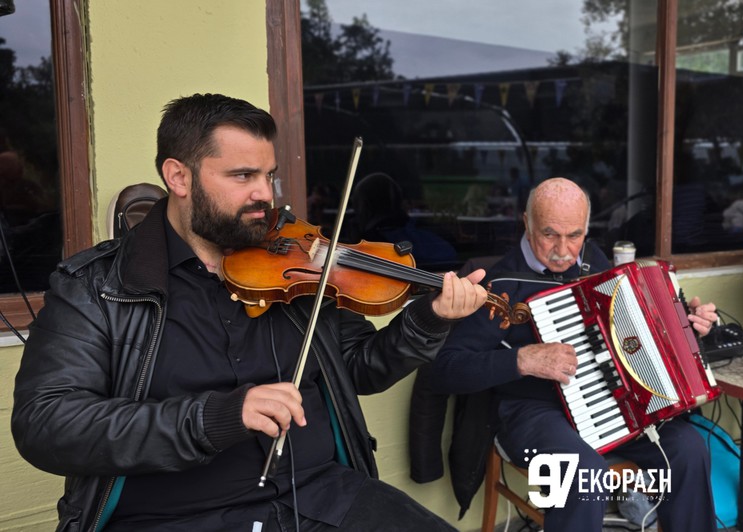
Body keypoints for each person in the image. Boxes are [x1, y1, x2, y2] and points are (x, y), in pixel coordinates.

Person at [11, 93, 489, 531]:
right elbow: (46, 423)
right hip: (174, 516)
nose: (266, 194)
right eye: (243, 176)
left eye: (269, 175)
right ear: (178, 177)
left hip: (320, 495)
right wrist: (215, 417)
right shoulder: (98, 287)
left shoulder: (295, 269)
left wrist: (430, 319)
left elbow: (360, 368)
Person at [425, 177, 720, 532]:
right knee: (583, 472)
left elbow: (636, 340)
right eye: (549, 234)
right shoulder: (497, 285)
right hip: (533, 411)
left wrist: (688, 327)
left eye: (575, 235)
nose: (563, 250)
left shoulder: (595, 261)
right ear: (527, 223)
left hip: (611, 406)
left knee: (689, 449)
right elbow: (445, 370)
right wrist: (522, 359)